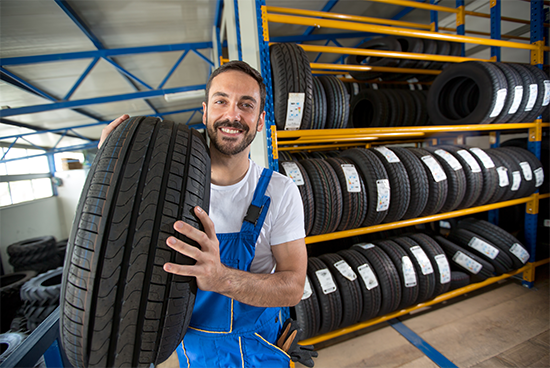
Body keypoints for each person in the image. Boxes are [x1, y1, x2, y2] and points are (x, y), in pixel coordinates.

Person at [99, 61, 308, 367]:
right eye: (221, 101)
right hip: (191, 351)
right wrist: (112, 167)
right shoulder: (165, 190)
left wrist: (222, 278)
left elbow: (293, 288)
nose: (232, 115)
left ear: (261, 120)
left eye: (246, 105)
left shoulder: (279, 192)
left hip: (260, 349)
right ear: (205, 111)